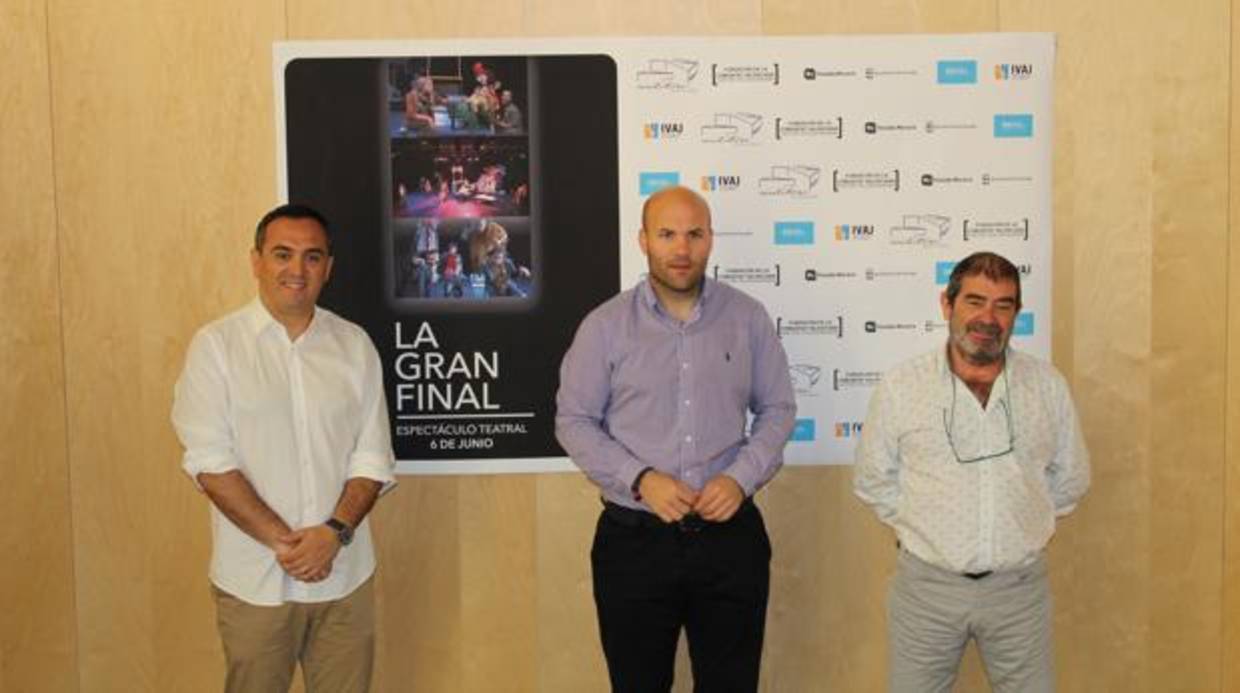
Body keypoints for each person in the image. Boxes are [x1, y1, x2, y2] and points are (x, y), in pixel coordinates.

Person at [556, 186, 796, 692]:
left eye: (694, 234)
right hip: (634, 542)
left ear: (711, 239)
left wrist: (740, 479)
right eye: (667, 234)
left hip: (730, 541)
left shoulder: (747, 318)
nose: (682, 249)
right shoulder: (604, 327)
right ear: (643, 240)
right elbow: (573, 420)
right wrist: (640, 479)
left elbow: (778, 409)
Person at [172, 204, 396, 692]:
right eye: (282, 254)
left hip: (345, 580)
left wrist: (333, 535)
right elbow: (210, 464)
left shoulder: (355, 345)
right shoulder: (216, 347)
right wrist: (288, 546)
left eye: (312, 257)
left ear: (328, 268)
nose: (297, 269)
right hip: (256, 582)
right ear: (256, 261)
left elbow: (373, 457)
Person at [853, 251, 1090, 693]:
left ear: (1016, 313)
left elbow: (1071, 478)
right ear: (947, 304)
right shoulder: (903, 386)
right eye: (975, 301)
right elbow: (873, 478)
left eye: (1003, 305)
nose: (988, 318)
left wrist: (1022, 523)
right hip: (926, 590)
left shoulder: (1047, 386)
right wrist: (922, 528)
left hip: (1019, 592)